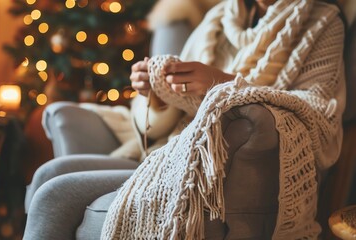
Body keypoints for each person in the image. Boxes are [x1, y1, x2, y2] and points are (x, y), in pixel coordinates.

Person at [24, 0, 346, 239]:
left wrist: (224, 83)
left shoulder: (322, 21)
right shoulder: (218, 19)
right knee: (49, 173)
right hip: (170, 151)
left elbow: (317, 114)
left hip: (210, 171)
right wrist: (154, 95)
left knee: (54, 195)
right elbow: (173, 111)